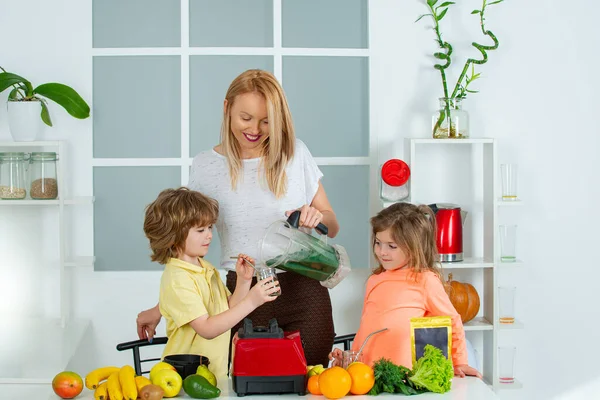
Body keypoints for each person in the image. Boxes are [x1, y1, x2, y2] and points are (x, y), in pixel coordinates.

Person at [137, 69, 340, 366]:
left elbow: (332, 225)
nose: (255, 129)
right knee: (248, 387)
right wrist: (161, 308)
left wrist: (315, 215)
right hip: (241, 295)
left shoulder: (295, 154)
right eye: (246, 118)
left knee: (314, 384)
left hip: (304, 292)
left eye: (266, 120)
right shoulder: (206, 166)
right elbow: (185, 249)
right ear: (226, 108)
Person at [329, 202, 481, 378]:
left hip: (403, 377)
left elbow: (452, 321)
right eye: (378, 243)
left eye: (391, 246)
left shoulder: (424, 280)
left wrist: (460, 362)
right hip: (369, 376)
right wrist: (350, 360)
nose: (381, 252)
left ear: (413, 246)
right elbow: (366, 329)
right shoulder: (374, 280)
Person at [143, 187, 280, 377]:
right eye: (200, 230)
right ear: (173, 237)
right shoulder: (177, 279)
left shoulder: (205, 267)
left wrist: (243, 282)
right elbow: (207, 328)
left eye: (209, 227)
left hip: (213, 374)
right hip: (184, 378)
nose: (209, 235)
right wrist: (252, 301)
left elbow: (227, 309)